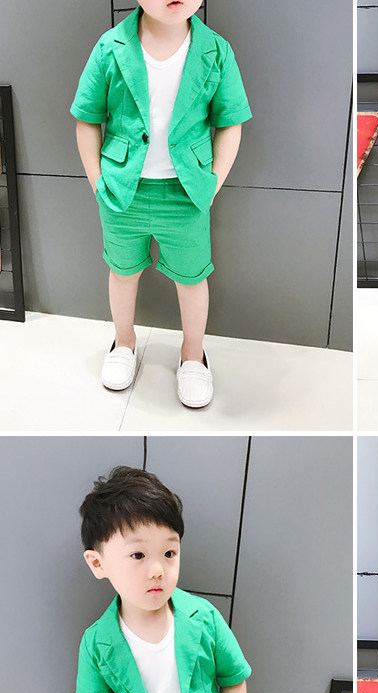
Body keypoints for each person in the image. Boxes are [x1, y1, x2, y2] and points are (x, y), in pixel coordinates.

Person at [71, 0, 251, 408]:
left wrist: (212, 184)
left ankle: (193, 355)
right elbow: (87, 117)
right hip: (122, 191)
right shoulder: (110, 46)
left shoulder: (216, 50)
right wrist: (98, 183)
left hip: (186, 193)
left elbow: (231, 122)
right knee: (122, 272)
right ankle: (123, 343)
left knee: (192, 278)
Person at [76, 466, 250, 693]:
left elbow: (234, 678)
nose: (157, 570)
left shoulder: (203, 617)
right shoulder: (97, 642)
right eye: (138, 554)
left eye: (169, 553)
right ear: (98, 563)